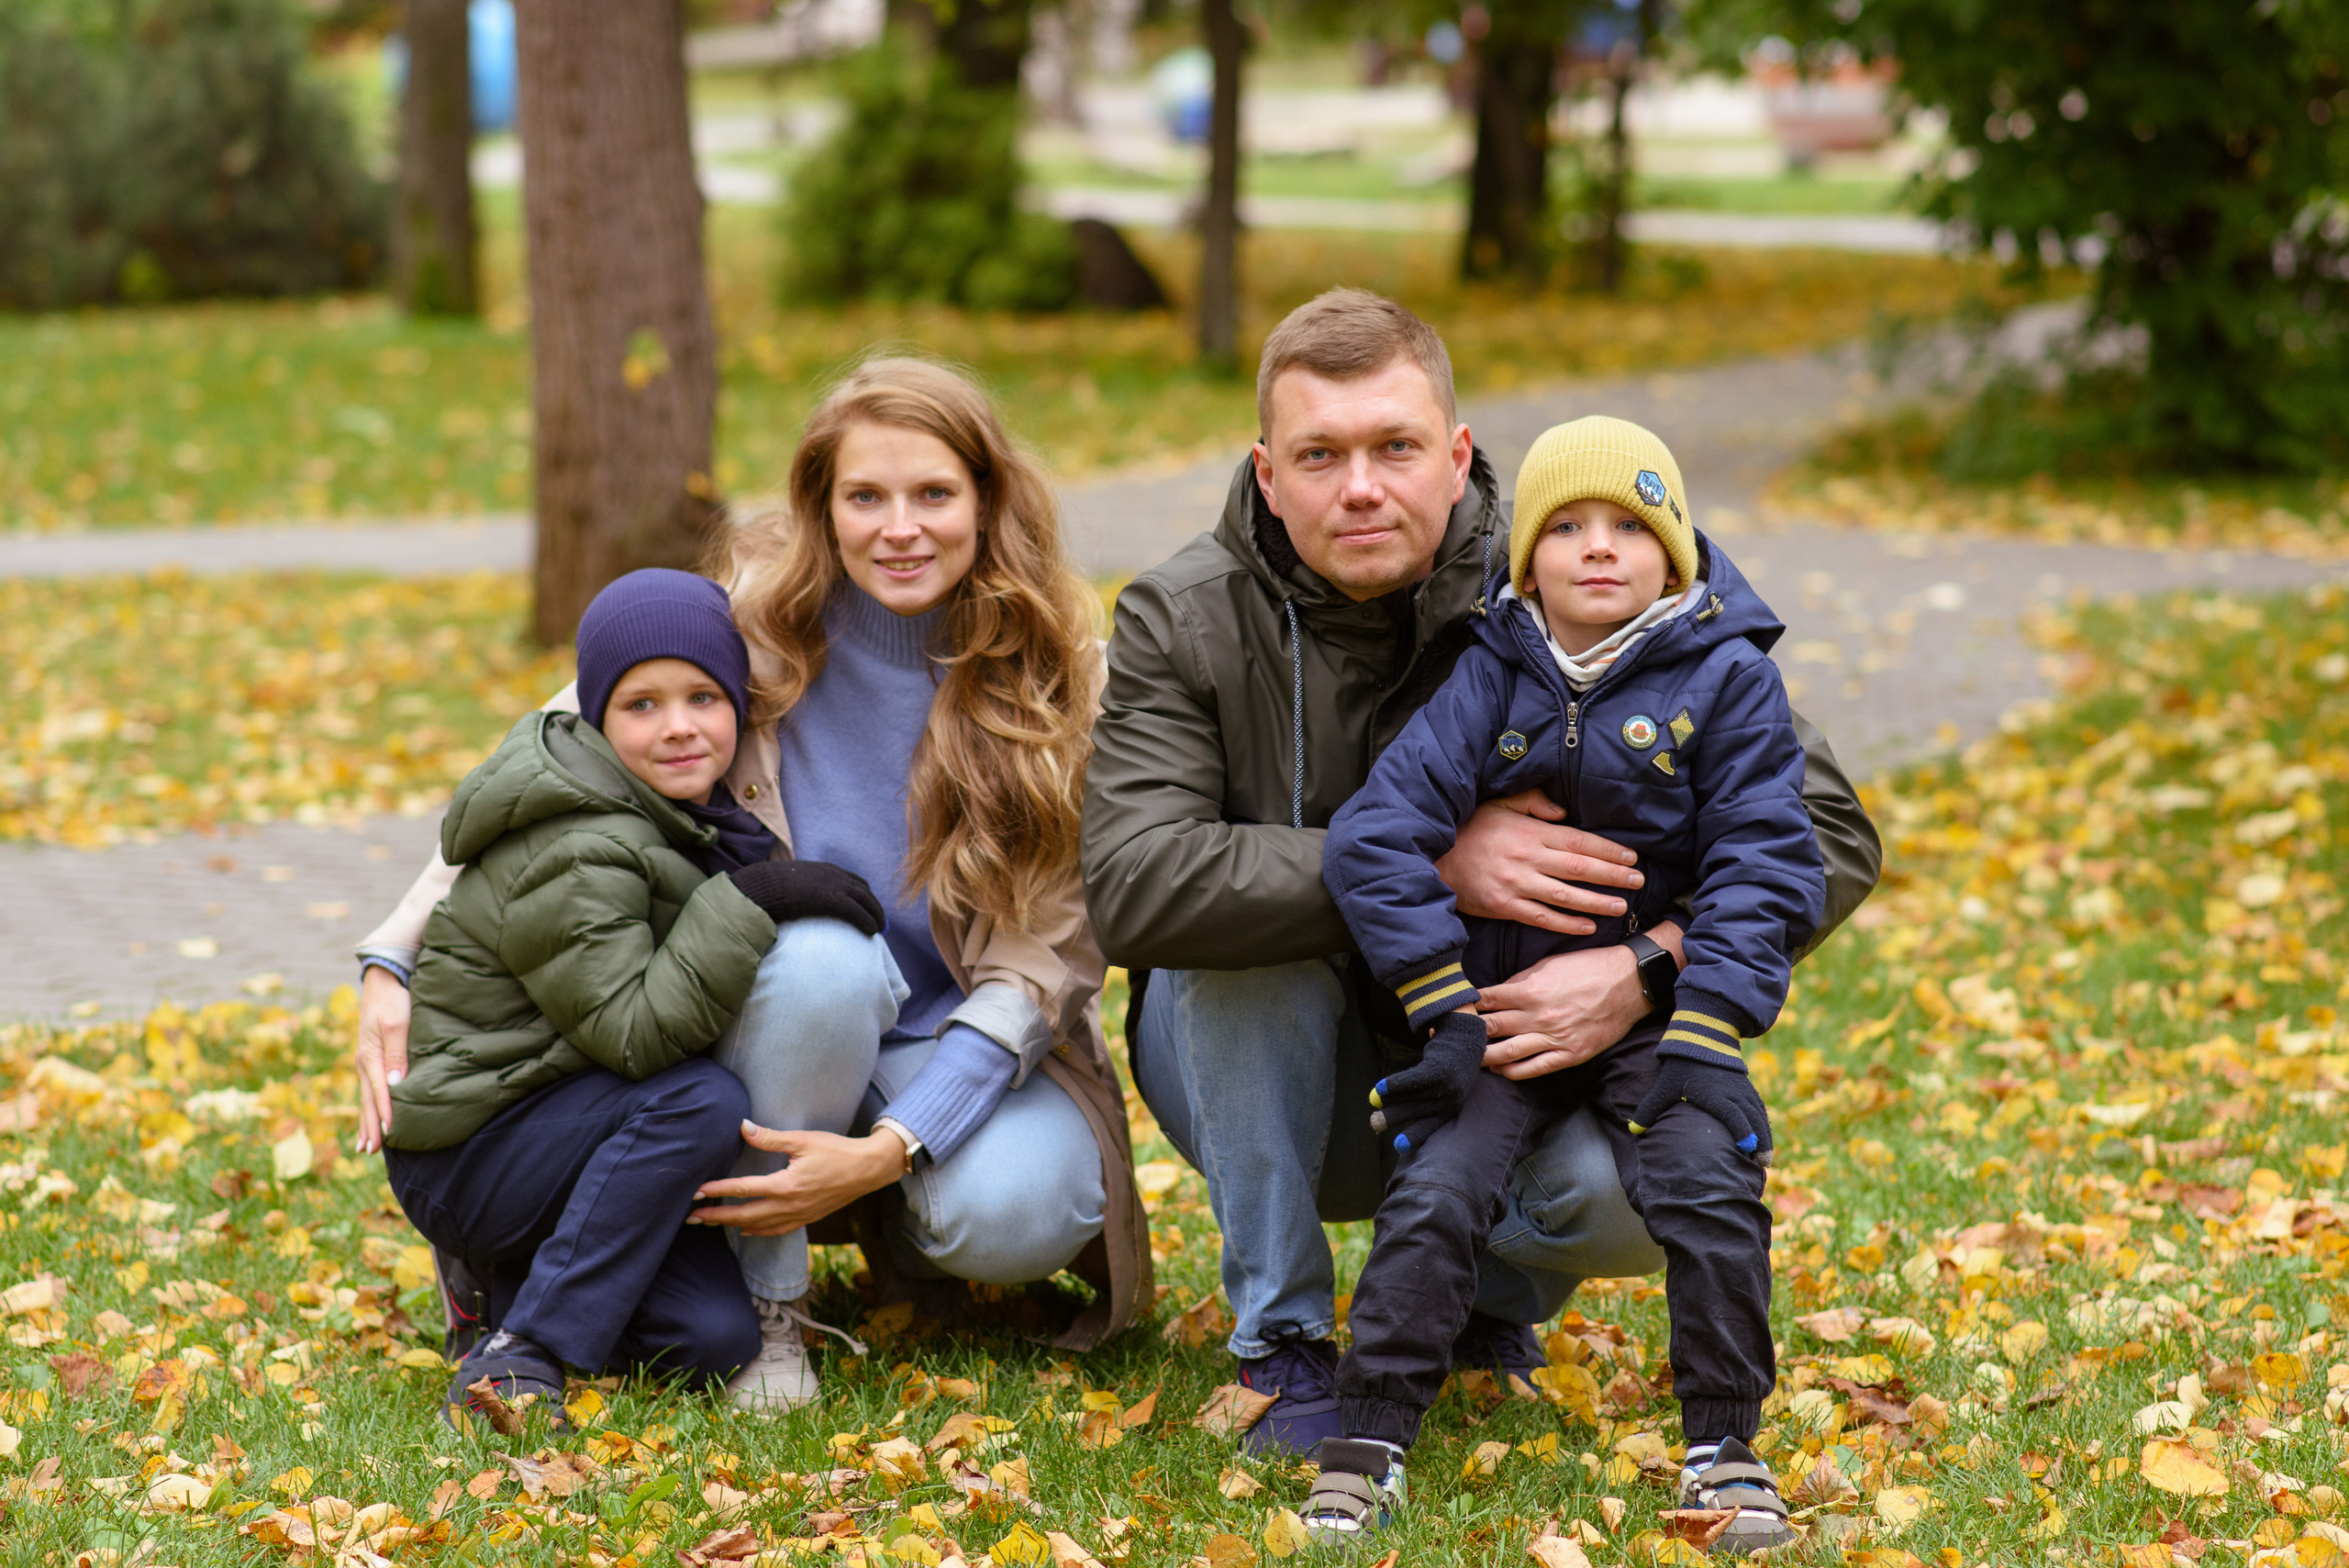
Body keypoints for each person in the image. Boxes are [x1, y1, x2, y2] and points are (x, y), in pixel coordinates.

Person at [1081, 289, 1882, 1456]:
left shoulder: (1574, 556)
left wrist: (1650, 966)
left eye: (1395, 447)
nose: (1361, 486)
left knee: (1627, 1189)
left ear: (1456, 455)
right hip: (1270, 1066)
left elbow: (1825, 826)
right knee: (1227, 963)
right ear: (1266, 473)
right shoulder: (1184, 616)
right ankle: (1284, 1340)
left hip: (1508, 1040)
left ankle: (1488, 1305)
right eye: (1320, 455)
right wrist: (1429, 864)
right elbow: (1137, 882)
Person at [356, 356, 1150, 1414]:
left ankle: (896, 1225)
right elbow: (547, 755)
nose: (899, 527)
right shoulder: (749, 623)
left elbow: (1043, 960)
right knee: (822, 953)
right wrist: (390, 949)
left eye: (933, 494)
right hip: (770, 1010)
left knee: (1024, 1207)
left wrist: (888, 1150)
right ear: (820, 505)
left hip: (949, 1031)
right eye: (864, 496)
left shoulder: (1061, 671)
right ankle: (774, 1306)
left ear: (987, 499)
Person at [1302, 417, 1823, 1551]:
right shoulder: (1491, 672)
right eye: (1568, 528)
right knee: (1436, 1187)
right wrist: (1441, 1005)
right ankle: (1370, 1434)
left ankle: (1725, 1446)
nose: (1599, 549)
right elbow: (1373, 837)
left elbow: (1768, 856)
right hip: (1499, 1010)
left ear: (1674, 552)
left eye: (1630, 526)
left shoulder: (1726, 678)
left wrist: (1712, 1018)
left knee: (1707, 1174)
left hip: (1656, 1015)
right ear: (1523, 556)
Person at [383, 568, 888, 1427]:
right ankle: (525, 1348)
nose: (680, 726)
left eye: (702, 696)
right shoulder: (576, 841)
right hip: (477, 1146)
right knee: (700, 1100)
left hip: (580, 1127)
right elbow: (633, 1034)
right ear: (597, 717)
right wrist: (762, 895)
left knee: (713, 1337)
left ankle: (498, 1287)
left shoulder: (677, 809)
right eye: (641, 704)